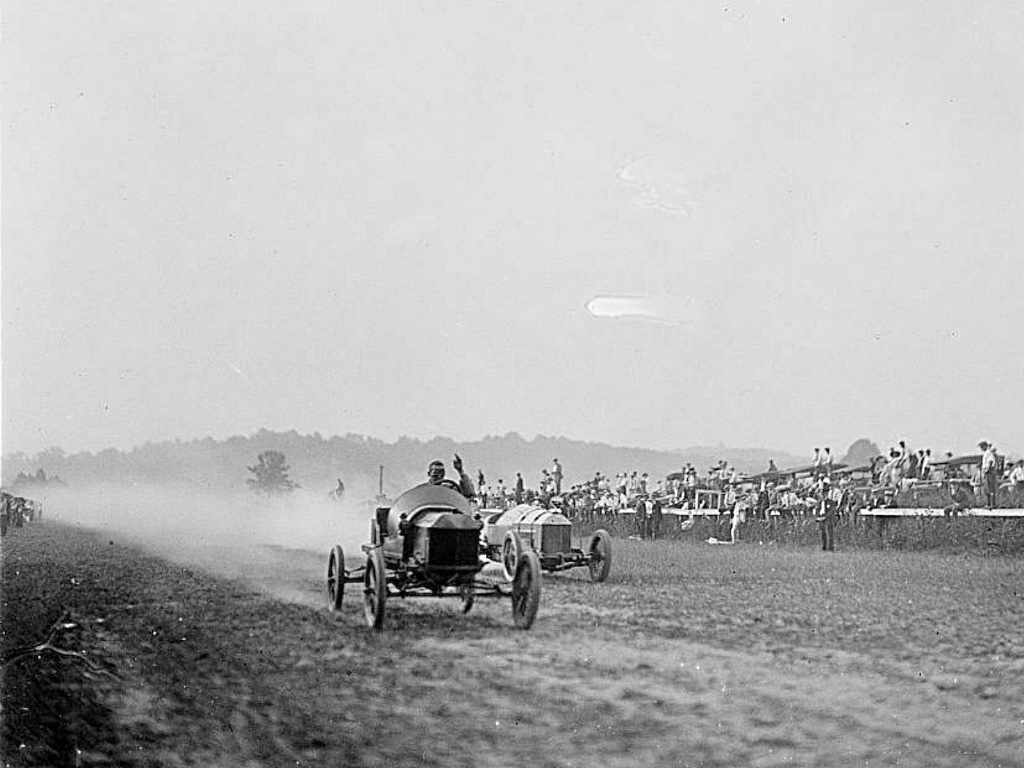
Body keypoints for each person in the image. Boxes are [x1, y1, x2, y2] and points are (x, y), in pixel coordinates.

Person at [979, 441, 998, 508]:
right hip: (987, 471)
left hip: (989, 472)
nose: (981, 448)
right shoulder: (986, 453)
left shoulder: (988, 453)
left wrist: (987, 470)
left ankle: (991, 504)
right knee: (987, 489)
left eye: (981, 447)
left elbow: (990, 461)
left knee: (990, 488)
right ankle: (988, 504)